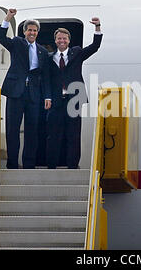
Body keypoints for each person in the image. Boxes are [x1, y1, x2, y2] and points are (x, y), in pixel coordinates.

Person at [0, 8, 52, 169]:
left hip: (34, 94)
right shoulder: (16, 43)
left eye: (35, 30)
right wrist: (8, 18)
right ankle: (12, 163)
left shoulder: (42, 51)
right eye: (29, 30)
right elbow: (0, 37)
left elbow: (46, 76)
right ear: (24, 31)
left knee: (32, 131)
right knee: (12, 129)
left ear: (38, 33)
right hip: (16, 91)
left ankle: (29, 163)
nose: (32, 33)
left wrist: (47, 96)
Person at [45, 18, 103, 169]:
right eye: (59, 38)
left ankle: (72, 166)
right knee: (53, 135)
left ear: (69, 41)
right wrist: (47, 97)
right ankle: (51, 166)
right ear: (55, 40)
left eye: (64, 38)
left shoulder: (76, 53)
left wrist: (97, 27)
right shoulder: (48, 57)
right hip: (56, 101)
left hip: (74, 100)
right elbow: (46, 80)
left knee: (73, 135)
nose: (62, 41)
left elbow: (95, 46)